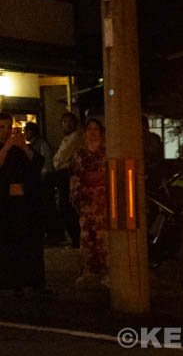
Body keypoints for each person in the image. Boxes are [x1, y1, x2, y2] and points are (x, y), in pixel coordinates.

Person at [0, 113, 46, 293]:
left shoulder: (20, 148)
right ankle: (9, 281)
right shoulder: (5, 149)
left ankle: (30, 280)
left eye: (7, 127)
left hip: (23, 205)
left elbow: (37, 164)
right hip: (4, 204)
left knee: (26, 243)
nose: (4, 132)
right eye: (1, 128)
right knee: (7, 244)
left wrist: (22, 147)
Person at [69, 118, 109, 285]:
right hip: (86, 201)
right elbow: (74, 178)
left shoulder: (107, 153)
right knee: (87, 237)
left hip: (104, 201)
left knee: (104, 238)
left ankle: (107, 272)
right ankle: (88, 271)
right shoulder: (79, 155)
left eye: (96, 130)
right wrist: (77, 198)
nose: (92, 133)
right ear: (84, 133)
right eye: (89, 130)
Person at [51, 112, 83, 247]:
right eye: (65, 121)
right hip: (64, 175)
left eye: (70, 121)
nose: (68, 124)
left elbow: (60, 159)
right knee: (65, 207)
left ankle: (76, 239)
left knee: (67, 207)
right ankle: (74, 239)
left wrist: (59, 161)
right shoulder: (67, 139)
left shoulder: (75, 138)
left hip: (68, 176)